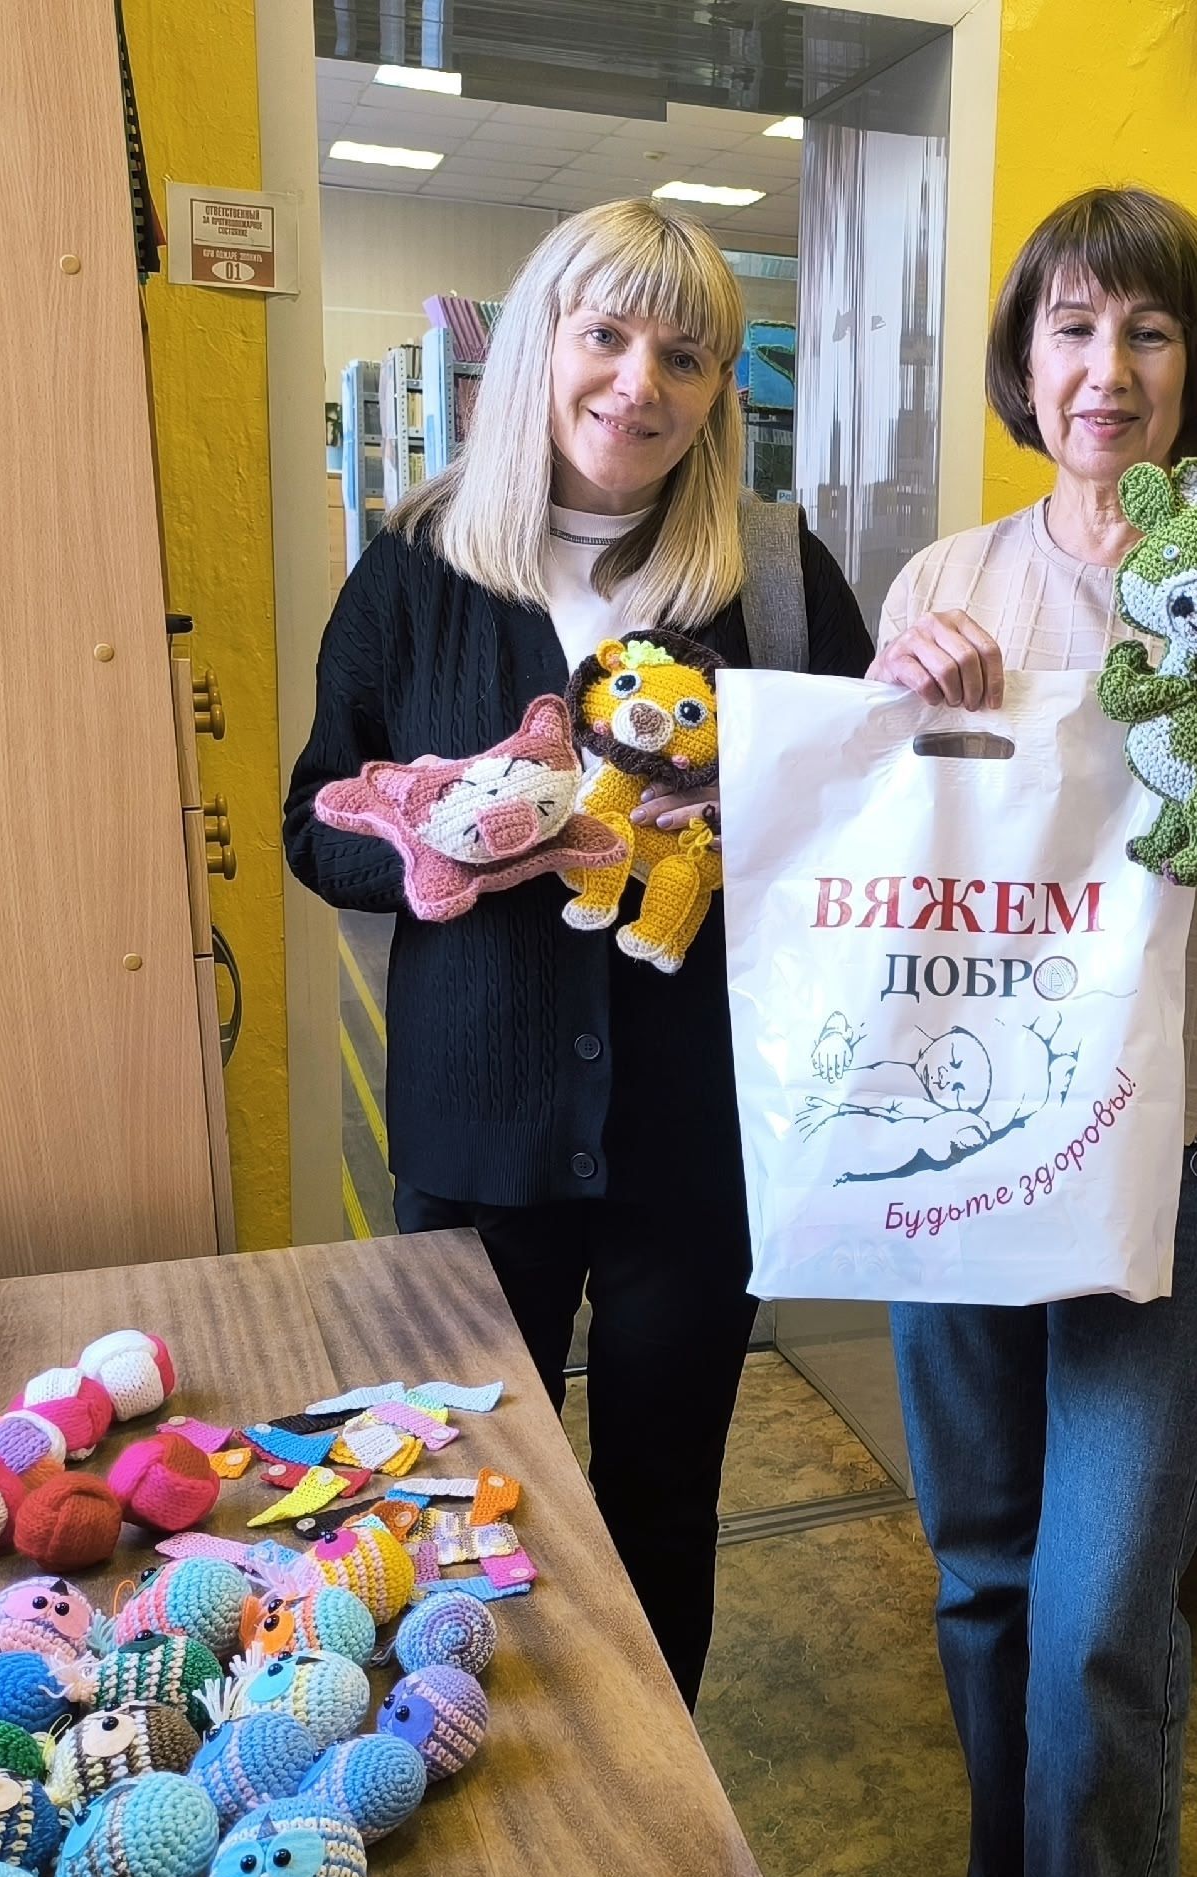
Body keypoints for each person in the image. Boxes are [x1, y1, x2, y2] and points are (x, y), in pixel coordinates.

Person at [870, 185, 1197, 1877]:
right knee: (982, 1571)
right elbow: (889, 885)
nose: (1109, 369)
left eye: (1150, 332)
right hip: (964, 1145)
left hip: (1186, 1155)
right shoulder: (947, 581)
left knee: (1098, 1614)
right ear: (1027, 363)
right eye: (1075, 328)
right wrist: (894, 708)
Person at [284, 198, 873, 1709]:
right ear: (540, 345)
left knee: (664, 1505)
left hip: (703, 1143)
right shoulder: (416, 570)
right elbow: (314, 819)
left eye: (685, 356)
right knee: (463, 1509)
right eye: (605, 336)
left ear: (720, 390)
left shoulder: (775, 578)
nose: (638, 384)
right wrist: (441, 843)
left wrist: (760, 813)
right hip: (479, 1138)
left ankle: (653, 1797)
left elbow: (873, 816)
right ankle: (478, 1769)